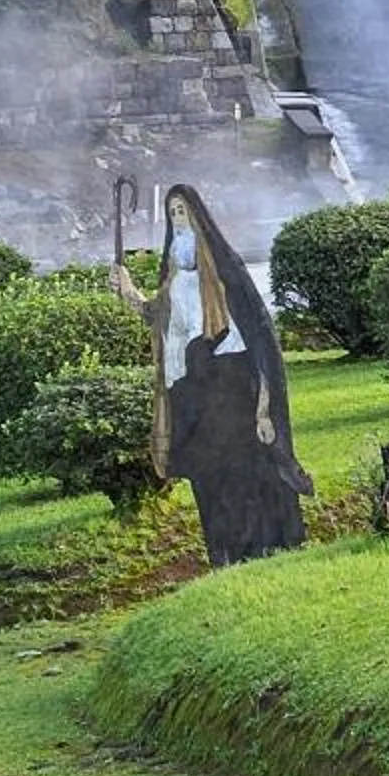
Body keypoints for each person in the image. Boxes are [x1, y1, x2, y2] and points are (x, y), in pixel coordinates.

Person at [116, 186, 312, 566]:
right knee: (211, 477)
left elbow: (258, 338)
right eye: (172, 214)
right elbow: (158, 318)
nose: (178, 220)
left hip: (231, 385)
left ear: (198, 218)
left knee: (248, 472)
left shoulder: (226, 274)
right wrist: (127, 291)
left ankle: (273, 546)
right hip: (192, 393)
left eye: (182, 212)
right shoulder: (173, 281)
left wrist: (263, 408)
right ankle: (226, 556)